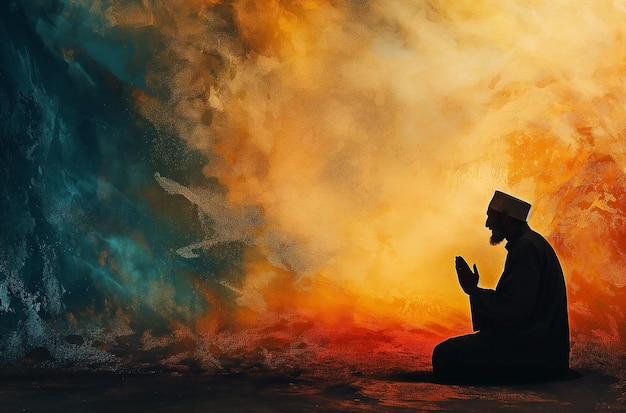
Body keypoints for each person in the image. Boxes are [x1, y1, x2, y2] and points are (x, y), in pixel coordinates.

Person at [432, 190, 570, 383]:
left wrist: (473, 291)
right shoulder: (529, 244)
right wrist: (475, 291)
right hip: (541, 349)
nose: (487, 224)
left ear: (505, 216)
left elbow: (514, 309)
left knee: (444, 354)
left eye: (490, 216)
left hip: (534, 353)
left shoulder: (525, 248)